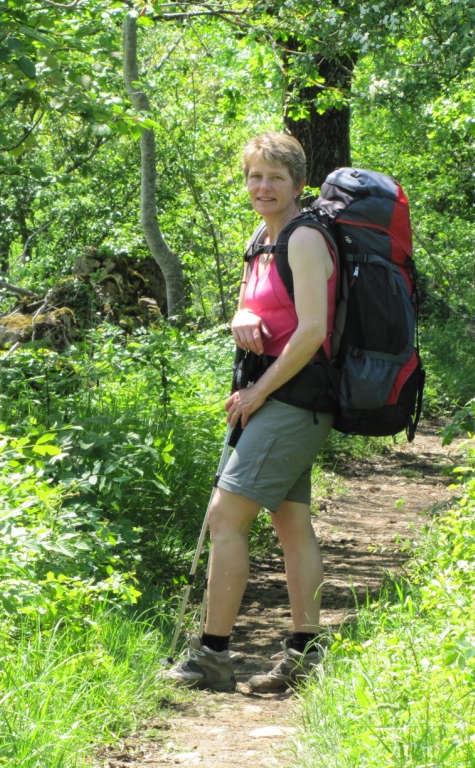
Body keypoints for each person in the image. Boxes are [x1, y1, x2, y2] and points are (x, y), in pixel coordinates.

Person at [166, 132, 337, 694]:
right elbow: (257, 308)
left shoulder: (304, 237)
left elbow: (312, 331)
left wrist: (259, 392)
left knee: (225, 517)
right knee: (290, 523)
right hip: (274, 397)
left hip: (294, 399)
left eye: (275, 178)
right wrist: (240, 315)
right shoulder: (261, 239)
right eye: (255, 176)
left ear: (298, 184)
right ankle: (305, 654)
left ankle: (212, 655)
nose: (263, 187)